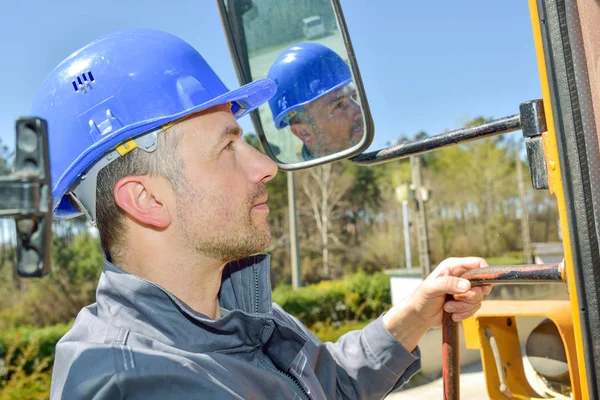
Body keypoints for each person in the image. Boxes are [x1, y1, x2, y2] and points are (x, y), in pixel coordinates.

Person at [33, 29, 491, 399]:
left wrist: (414, 314)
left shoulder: (237, 309)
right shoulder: (140, 382)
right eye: (227, 147)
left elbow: (330, 385)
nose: (267, 167)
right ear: (147, 200)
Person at [267, 43, 363, 160]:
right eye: (338, 105)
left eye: (354, 96)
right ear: (304, 133)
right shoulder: (315, 175)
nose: (359, 110)